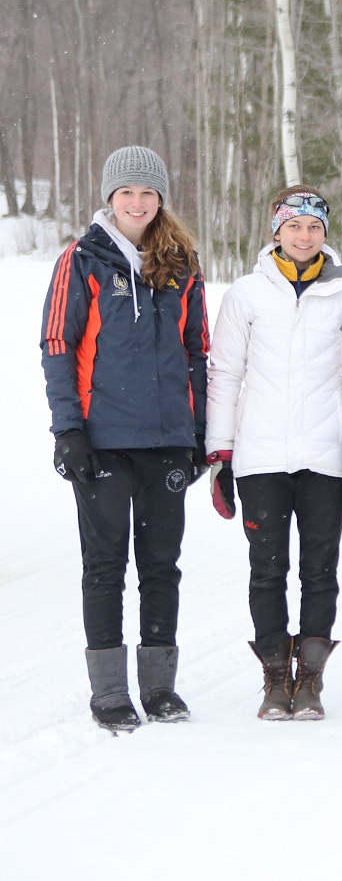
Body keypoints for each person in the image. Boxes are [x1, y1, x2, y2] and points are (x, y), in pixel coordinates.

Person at [41, 146, 208, 733]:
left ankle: (159, 687)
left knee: (161, 565)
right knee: (105, 565)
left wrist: (198, 434)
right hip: (103, 441)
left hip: (167, 440)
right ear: (110, 197)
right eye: (126, 193)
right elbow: (58, 345)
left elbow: (197, 351)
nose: (137, 203)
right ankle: (110, 691)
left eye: (148, 193)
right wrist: (69, 430)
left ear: (161, 198)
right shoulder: (82, 260)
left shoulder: (181, 264)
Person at [205, 186, 342, 721]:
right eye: (294, 225)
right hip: (261, 458)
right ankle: (276, 678)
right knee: (267, 571)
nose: (304, 235)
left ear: (325, 233)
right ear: (277, 231)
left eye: (314, 226)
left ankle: (311, 680)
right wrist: (221, 455)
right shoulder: (246, 294)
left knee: (320, 572)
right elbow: (225, 375)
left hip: (325, 457)